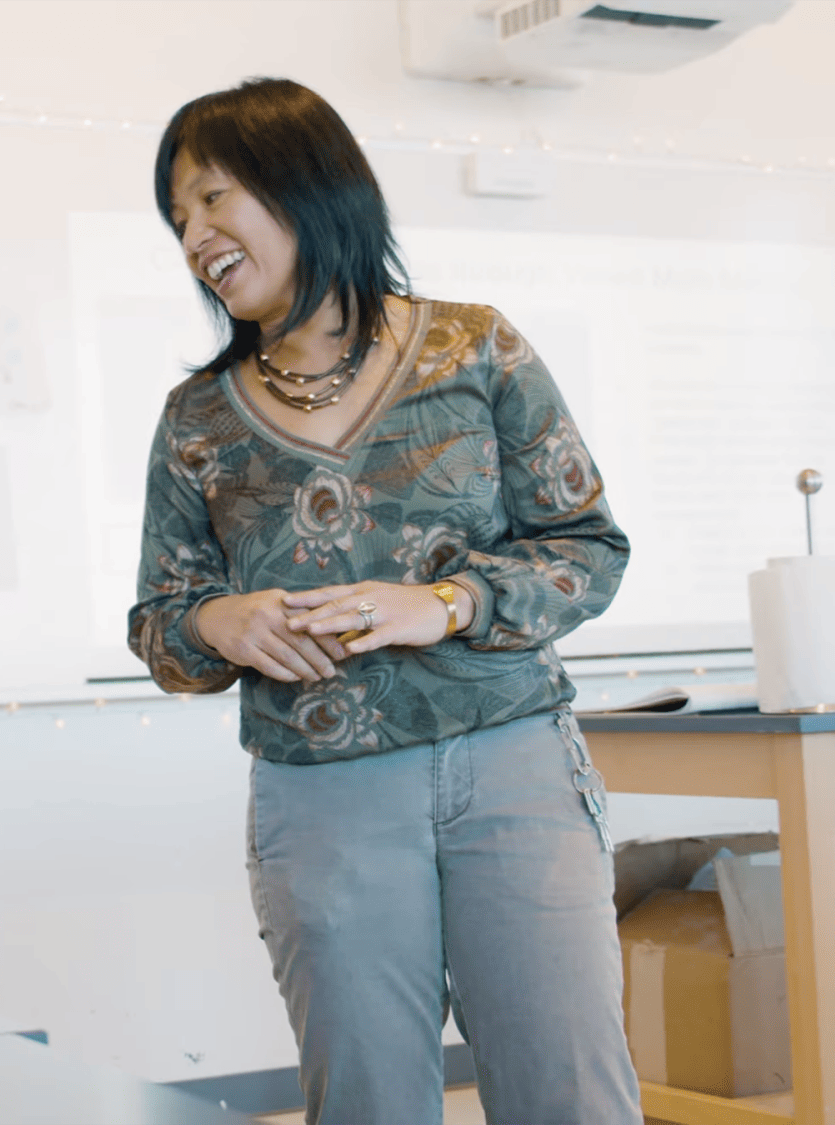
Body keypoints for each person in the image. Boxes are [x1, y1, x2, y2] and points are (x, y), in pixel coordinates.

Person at [130, 78, 638, 1124]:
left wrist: (443, 603)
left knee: (569, 1095)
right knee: (366, 1103)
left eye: (213, 199)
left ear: (305, 185)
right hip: (320, 800)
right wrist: (211, 624)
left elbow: (587, 549)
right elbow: (159, 622)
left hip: (512, 769)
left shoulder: (475, 348)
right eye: (178, 217)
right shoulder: (195, 419)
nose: (193, 236)